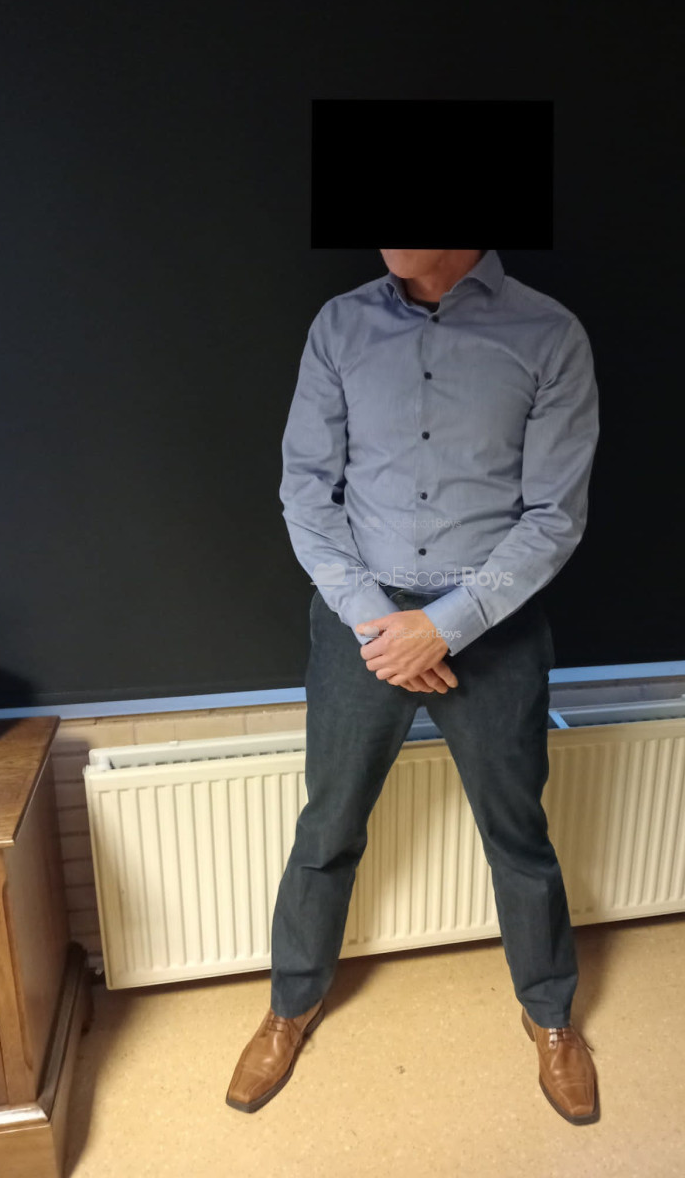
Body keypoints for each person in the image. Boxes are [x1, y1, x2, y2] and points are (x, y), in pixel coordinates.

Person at [226, 248, 601, 1124]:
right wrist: (379, 623)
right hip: (359, 619)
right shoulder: (340, 326)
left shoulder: (550, 334)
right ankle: (289, 1008)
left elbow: (555, 516)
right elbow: (306, 491)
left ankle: (550, 1016)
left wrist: (447, 625)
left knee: (519, 834)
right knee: (328, 826)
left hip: (495, 625)